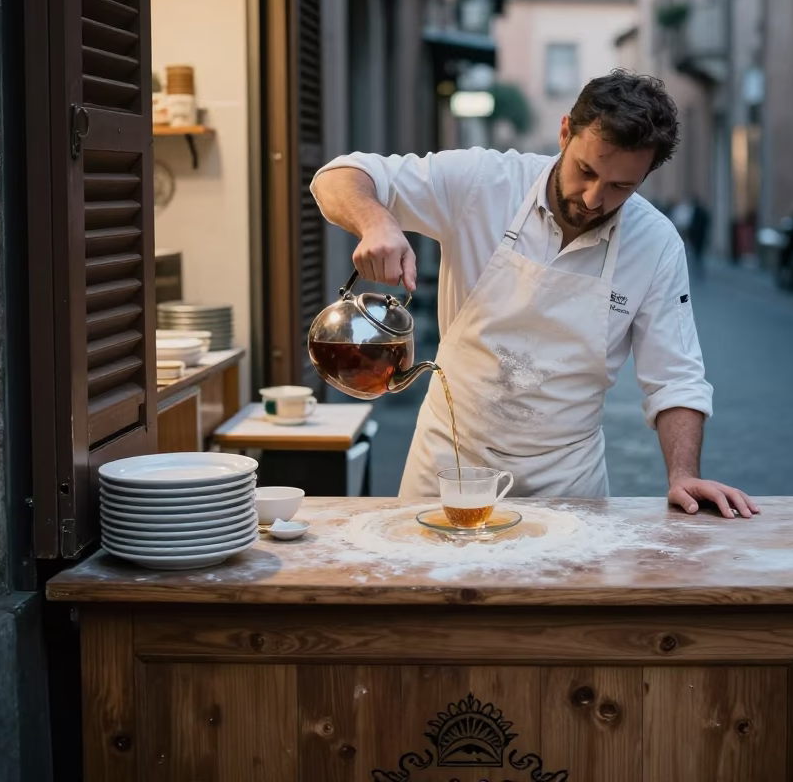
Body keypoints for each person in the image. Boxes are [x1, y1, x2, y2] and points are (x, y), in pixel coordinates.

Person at [311, 70, 758, 519]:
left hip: (568, 481)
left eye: (622, 186)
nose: (594, 198)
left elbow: (675, 379)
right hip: (450, 465)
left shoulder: (656, 244)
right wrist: (377, 222)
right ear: (566, 132)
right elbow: (338, 177)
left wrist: (682, 474)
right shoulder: (484, 183)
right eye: (587, 170)